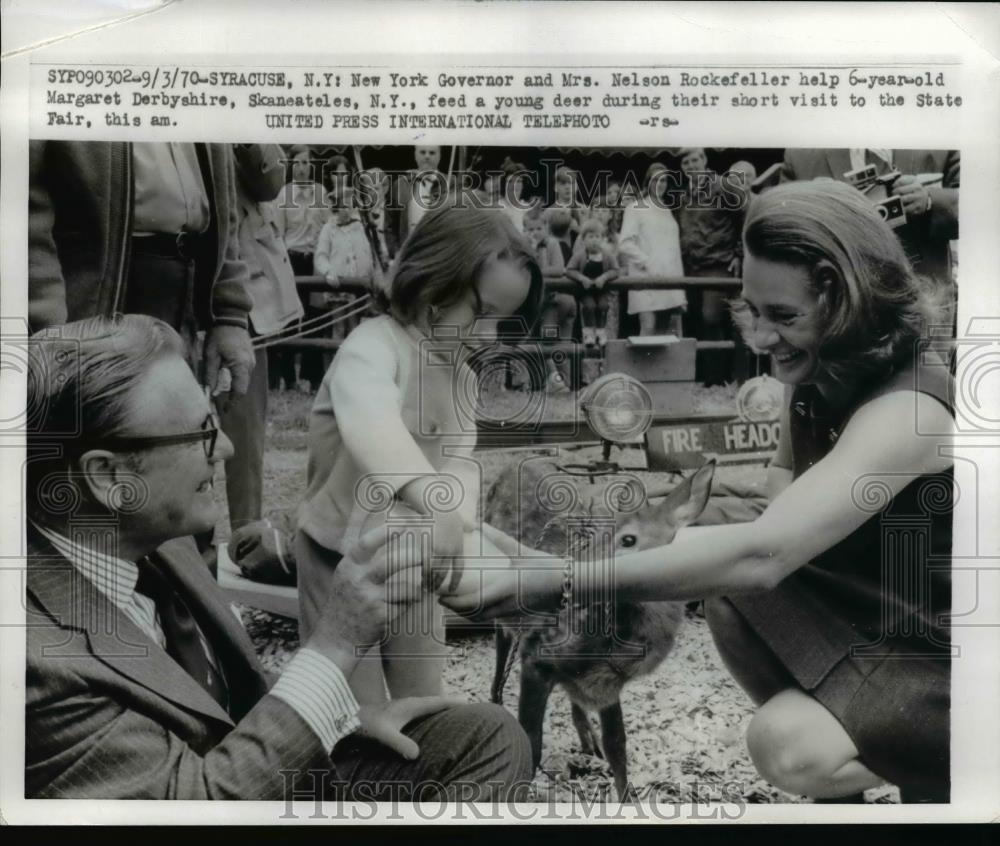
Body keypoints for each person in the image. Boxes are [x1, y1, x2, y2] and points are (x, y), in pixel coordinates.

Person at [440, 181, 955, 803]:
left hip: (937, 650)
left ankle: (946, 770)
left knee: (785, 742)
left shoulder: (908, 412)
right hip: (877, 613)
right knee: (723, 581)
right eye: (752, 311)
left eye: (784, 317)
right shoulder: (814, 376)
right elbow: (773, 508)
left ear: (845, 298)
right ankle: (858, 764)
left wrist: (554, 577)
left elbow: (766, 553)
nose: (759, 340)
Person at [24, 313, 531, 800]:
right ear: (109, 477)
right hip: (214, 804)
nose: (224, 448)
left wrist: (342, 721)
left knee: (484, 736)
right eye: (201, 433)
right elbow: (194, 806)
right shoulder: (36, 661)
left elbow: (219, 705)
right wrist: (336, 642)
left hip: (247, 778)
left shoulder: (160, 549)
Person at [296, 205, 545, 712]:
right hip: (339, 556)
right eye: (480, 313)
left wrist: (453, 519)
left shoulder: (462, 377)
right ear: (433, 281)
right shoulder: (372, 348)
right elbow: (373, 426)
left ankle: (424, 756)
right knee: (348, 701)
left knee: (423, 692)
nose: (487, 336)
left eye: (501, 322)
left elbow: (458, 461)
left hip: (414, 558)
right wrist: (435, 506)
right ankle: (356, 769)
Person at [28, 140, 255, 398]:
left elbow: (224, 207)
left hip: (181, 293)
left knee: (176, 426)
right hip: (91, 309)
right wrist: (49, 337)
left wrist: (228, 315)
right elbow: (26, 216)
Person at [221, 144, 304, 563]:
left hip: (244, 294)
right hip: (171, 280)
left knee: (244, 437)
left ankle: (243, 541)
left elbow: (270, 182)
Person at [779, 148, 959, 290]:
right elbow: (778, 230)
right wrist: (810, 207)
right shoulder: (801, 155)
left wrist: (929, 200)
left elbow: (979, 212)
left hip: (924, 295)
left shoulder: (939, 138)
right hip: (839, 302)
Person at [676, 148, 754, 385]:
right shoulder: (685, 194)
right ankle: (708, 377)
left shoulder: (722, 186)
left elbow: (746, 216)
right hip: (692, 267)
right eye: (686, 162)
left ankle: (719, 380)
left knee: (712, 318)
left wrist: (739, 254)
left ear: (704, 160)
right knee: (698, 322)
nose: (692, 165)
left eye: (695, 159)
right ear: (683, 167)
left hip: (718, 264)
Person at [274, 145, 329, 391]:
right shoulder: (283, 195)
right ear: (291, 166)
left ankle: (314, 378)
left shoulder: (321, 193)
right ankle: (287, 377)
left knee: (315, 316)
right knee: (289, 318)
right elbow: (278, 233)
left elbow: (327, 229)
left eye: (306, 163)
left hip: (315, 259)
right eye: (297, 163)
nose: (302, 168)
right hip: (291, 259)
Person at [617, 162, 686, 336]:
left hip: (669, 280)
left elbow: (673, 251)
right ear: (648, 182)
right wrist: (648, 263)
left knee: (667, 334)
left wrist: (679, 286)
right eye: (655, 181)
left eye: (663, 181)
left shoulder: (668, 211)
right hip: (645, 279)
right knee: (648, 328)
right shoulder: (635, 208)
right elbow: (625, 243)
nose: (659, 185)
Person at [524, 206, 575, 393]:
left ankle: (561, 382)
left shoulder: (552, 244)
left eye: (538, 229)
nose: (535, 233)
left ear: (546, 227)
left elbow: (559, 269)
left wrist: (536, 272)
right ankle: (558, 383)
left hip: (557, 301)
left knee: (552, 340)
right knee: (540, 340)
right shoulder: (525, 247)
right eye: (530, 229)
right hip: (541, 303)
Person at [564, 217, 619, 348]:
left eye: (597, 237)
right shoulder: (579, 255)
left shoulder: (607, 255)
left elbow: (616, 270)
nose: (594, 240)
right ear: (583, 240)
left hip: (600, 289)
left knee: (603, 306)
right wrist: (581, 278)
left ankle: (601, 331)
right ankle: (588, 333)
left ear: (602, 238)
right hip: (586, 290)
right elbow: (569, 270)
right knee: (589, 306)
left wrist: (604, 277)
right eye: (590, 237)